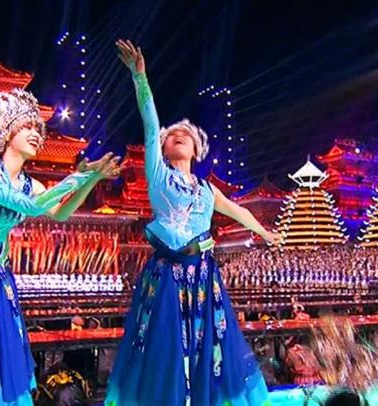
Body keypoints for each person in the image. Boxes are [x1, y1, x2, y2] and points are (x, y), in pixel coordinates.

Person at [105, 40, 279, 406]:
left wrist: (264, 232)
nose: (178, 135)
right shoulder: (158, 175)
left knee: (207, 345)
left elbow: (238, 211)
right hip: (168, 275)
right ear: (163, 148)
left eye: (185, 134)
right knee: (167, 348)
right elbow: (150, 123)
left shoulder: (207, 189)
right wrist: (140, 77)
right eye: (172, 136)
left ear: (197, 149)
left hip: (203, 276)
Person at [0, 88, 121, 405]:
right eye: (28, 127)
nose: (37, 134)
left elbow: (60, 212)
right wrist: (77, 177)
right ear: (6, 132)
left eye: (39, 129)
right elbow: (29, 206)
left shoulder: (29, 183)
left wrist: (92, 179)